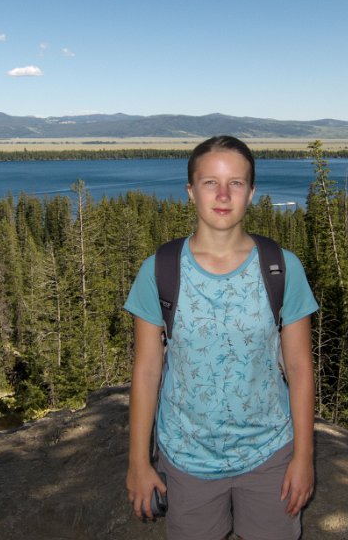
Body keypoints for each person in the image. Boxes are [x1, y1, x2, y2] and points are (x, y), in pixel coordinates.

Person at [124, 135, 318, 540]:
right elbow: (146, 371)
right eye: (210, 182)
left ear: (252, 192)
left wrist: (304, 456)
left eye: (237, 183)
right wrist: (138, 462)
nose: (224, 194)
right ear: (191, 191)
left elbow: (299, 367)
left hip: (270, 453)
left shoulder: (282, 267)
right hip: (186, 456)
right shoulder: (160, 270)